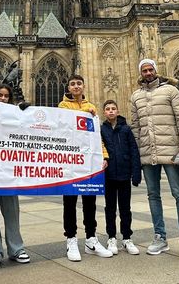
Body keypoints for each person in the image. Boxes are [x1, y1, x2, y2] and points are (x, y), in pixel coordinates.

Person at [129, 59, 179, 261]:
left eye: (151, 69)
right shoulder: (136, 96)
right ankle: (160, 237)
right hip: (148, 153)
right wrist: (135, 155)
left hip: (170, 152)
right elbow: (136, 128)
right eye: (145, 70)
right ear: (141, 73)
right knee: (153, 195)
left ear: (156, 71)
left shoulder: (170, 90)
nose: (148, 73)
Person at [59, 74, 113, 261]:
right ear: (68, 87)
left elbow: (95, 134)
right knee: (70, 201)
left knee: (90, 201)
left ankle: (91, 238)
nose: (76, 87)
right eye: (72, 84)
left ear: (83, 86)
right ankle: (71, 239)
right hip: (71, 160)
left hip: (88, 160)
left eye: (79, 84)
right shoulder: (63, 106)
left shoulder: (91, 107)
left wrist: (103, 155)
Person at [0, 84, 30, 269]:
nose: (2, 98)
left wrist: (28, 112)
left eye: (6, 96)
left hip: (10, 172)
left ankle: (16, 249)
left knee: (12, 213)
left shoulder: (15, 115)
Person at [101, 99, 142, 255]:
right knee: (110, 208)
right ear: (104, 112)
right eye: (108, 109)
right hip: (109, 175)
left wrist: (136, 173)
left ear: (117, 111)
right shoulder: (101, 130)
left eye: (113, 108)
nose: (111, 111)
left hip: (124, 174)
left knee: (125, 208)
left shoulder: (126, 129)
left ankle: (126, 238)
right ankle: (111, 237)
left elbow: (133, 151)